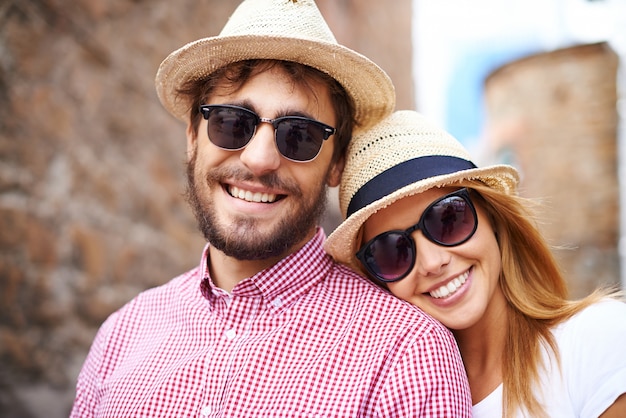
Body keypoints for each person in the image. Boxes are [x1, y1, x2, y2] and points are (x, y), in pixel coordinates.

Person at [70, 1, 473, 416]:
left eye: (299, 135)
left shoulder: (405, 355)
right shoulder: (120, 336)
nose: (259, 159)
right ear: (193, 136)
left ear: (335, 163)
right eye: (231, 122)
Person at [325, 109, 626, 417]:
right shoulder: (401, 402)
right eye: (391, 251)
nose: (432, 262)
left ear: (492, 217)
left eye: (448, 219)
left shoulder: (598, 341)